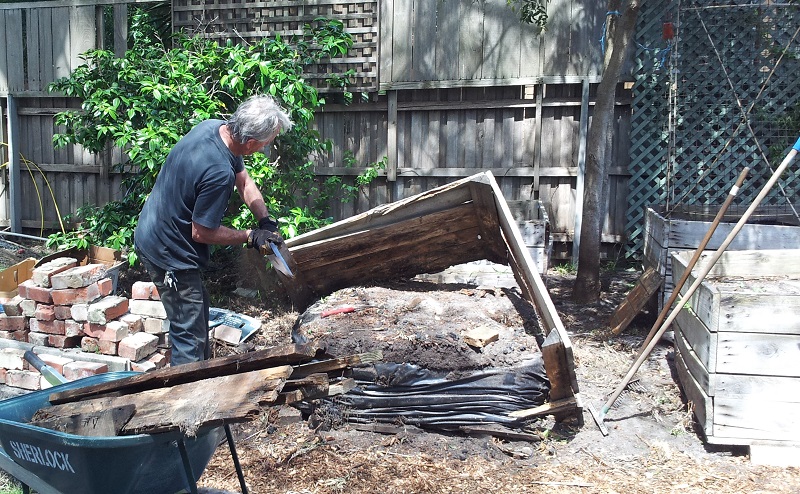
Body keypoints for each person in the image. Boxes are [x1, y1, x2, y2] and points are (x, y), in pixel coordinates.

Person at [134, 95, 293, 365]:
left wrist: (266, 222)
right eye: (267, 143)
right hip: (167, 252)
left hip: (158, 232)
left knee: (196, 317)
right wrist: (249, 236)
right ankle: (186, 400)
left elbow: (245, 182)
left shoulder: (215, 128)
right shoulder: (218, 171)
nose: (267, 147)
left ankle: (198, 381)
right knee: (190, 340)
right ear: (251, 142)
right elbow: (202, 233)